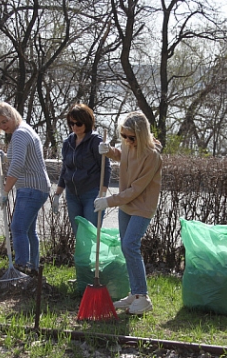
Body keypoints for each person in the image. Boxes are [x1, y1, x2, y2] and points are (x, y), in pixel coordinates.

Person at [93, 111, 162, 315]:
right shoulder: (127, 144)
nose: (127, 140)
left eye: (131, 137)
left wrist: (109, 201)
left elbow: (135, 190)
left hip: (142, 206)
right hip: (126, 205)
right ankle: (135, 293)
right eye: (123, 136)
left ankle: (143, 297)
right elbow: (124, 157)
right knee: (126, 247)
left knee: (130, 245)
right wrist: (110, 151)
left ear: (141, 135)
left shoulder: (152, 156)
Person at [0, 101, 51, 274]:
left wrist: (5, 191)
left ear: (12, 115)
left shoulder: (19, 134)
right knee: (29, 231)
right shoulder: (25, 130)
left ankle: (22, 267)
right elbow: (20, 158)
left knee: (17, 228)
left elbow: (17, 165)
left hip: (31, 188)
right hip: (37, 187)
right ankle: (33, 268)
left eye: (4, 121)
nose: (3, 126)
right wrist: (5, 156)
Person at [52, 103, 111, 235]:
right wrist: (57, 194)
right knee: (78, 234)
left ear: (87, 122)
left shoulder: (95, 141)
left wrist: (102, 194)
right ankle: (81, 256)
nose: (74, 127)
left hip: (91, 194)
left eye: (78, 123)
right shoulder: (68, 143)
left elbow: (106, 168)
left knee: (90, 234)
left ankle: (91, 256)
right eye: (71, 123)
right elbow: (65, 170)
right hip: (72, 195)